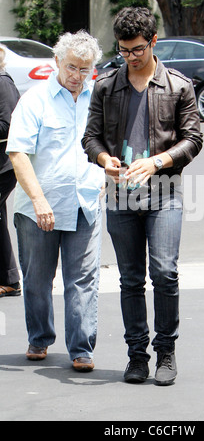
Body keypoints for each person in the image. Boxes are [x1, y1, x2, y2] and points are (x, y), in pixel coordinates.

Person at [82, 7, 203, 385]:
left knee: (164, 273)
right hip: (120, 194)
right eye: (123, 50)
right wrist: (105, 160)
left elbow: (193, 139)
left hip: (164, 191)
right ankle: (137, 356)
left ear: (153, 42)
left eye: (136, 49)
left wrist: (157, 162)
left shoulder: (178, 85)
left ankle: (166, 352)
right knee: (131, 279)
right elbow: (90, 137)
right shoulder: (106, 86)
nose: (129, 57)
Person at [7, 31, 104, 372]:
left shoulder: (99, 98)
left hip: (85, 202)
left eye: (85, 68)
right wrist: (38, 200)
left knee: (83, 279)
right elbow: (18, 152)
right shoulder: (35, 100)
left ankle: (81, 348)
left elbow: (110, 142)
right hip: (39, 207)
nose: (77, 75)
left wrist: (106, 173)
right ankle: (40, 337)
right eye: (72, 67)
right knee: (37, 277)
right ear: (57, 63)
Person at [0, 45, 21, 298]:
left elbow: (9, 126)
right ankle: (10, 280)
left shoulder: (3, 83)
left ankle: (10, 279)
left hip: (5, 166)